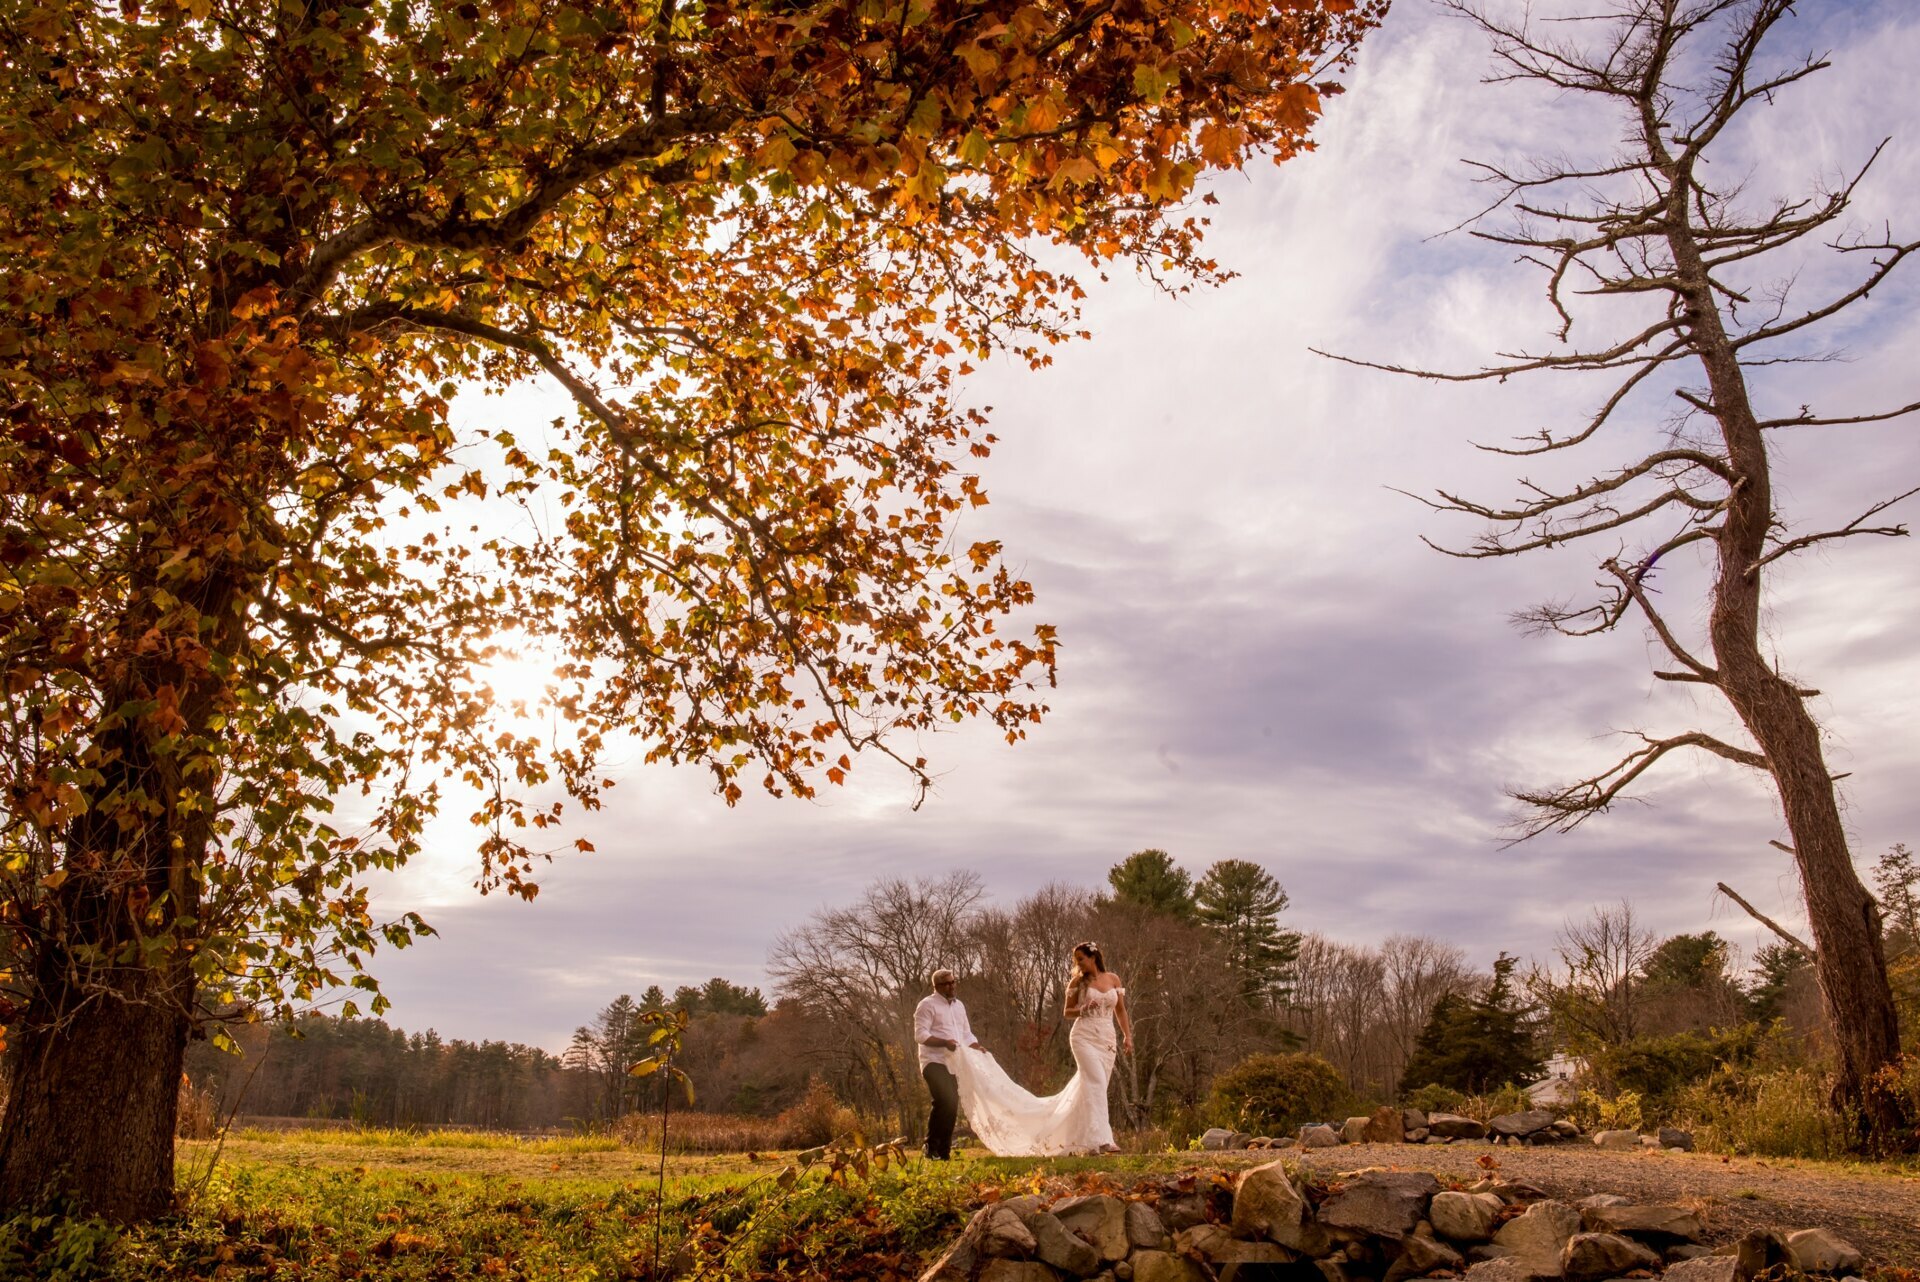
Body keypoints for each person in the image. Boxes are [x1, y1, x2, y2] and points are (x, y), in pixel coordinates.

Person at [945, 941, 1133, 1156]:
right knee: (1096, 1083)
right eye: (1076, 961)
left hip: (1107, 1040)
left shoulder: (1113, 979)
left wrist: (1127, 1036)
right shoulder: (1077, 982)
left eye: (1081, 959)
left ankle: (1082, 1139)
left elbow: (1121, 1010)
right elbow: (1067, 1012)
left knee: (1093, 1088)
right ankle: (1102, 1140)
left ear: (1093, 956)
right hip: (1084, 1038)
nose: (1078, 964)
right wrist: (1082, 1009)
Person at [913, 968, 983, 1160]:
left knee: (952, 1104)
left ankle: (944, 1152)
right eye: (947, 983)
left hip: (954, 1062)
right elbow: (920, 1035)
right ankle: (930, 1146)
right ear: (936, 986)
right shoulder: (927, 1005)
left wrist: (977, 1046)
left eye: (953, 982)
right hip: (933, 1061)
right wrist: (944, 1042)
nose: (952, 986)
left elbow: (966, 1034)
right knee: (944, 1100)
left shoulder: (959, 1006)